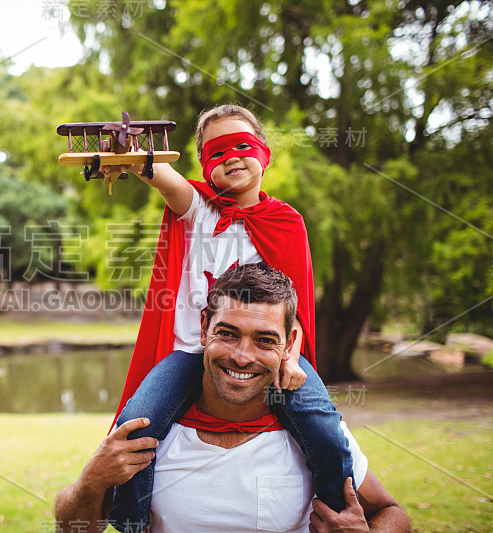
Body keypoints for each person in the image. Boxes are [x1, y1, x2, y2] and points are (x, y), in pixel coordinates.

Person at [100, 105, 352, 531]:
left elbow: (298, 305)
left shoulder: (288, 223)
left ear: (264, 154)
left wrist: (291, 358)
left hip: (271, 352)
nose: (232, 157)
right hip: (191, 354)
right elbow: (166, 179)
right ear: (205, 167)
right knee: (135, 422)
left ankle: (336, 516)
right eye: (217, 153)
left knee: (327, 431)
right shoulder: (198, 208)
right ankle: (134, 523)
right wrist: (138, 156)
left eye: (242, 146)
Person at [54, 263, 411, 533]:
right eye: (228, 333)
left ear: (289, 346)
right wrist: (92, 481)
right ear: (204, 326)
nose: (242, 356)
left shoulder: (317, 434)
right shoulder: (149, 432)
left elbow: (393, 513)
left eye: (265, 340)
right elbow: (71, 527)